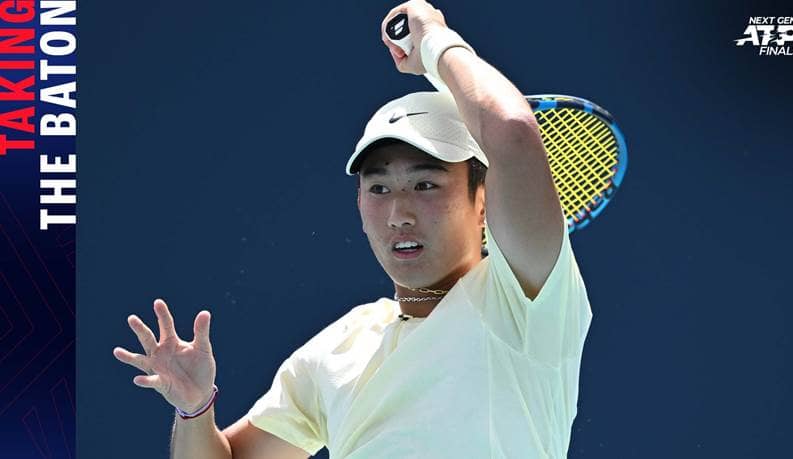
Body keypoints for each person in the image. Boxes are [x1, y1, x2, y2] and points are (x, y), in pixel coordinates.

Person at [113, 1, 593, 457]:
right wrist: (195, 409)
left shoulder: (526, 300)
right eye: (379, 188)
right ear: (360, 207)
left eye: (425, 184)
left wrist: (434, 40)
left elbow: (511, 132)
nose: (399, 213)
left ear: (482, 199)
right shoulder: (337, 349)